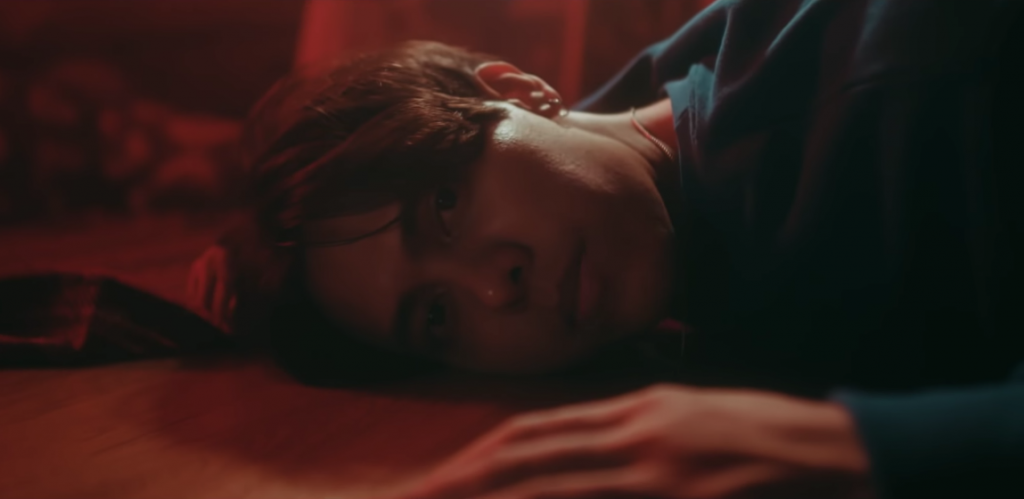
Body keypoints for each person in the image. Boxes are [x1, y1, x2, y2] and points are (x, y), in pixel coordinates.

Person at [190, 0, 1024, 497]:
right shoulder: (637, 128)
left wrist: (869, 447)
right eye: (435, 314)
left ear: (519, 90)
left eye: (443, 207)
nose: (496, 289)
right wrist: (265, 256)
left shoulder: (921, 95)